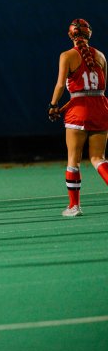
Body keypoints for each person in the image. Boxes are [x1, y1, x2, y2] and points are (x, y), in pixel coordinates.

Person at [48, 18, 108, 216]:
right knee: (98, 158)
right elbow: (96, 90)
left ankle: (74, 206)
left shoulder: (67, 56)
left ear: (70, 35)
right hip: (101, 108)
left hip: (78, 113)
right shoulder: (100, 56)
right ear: (89, 34)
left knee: (73, 160)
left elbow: (61, 86)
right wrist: (64, 107)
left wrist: (54, 105)